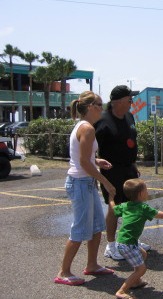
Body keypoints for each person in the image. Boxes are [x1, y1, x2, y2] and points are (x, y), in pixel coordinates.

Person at [55, 91, 116, 286]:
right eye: (99, 104)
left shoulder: (84, 126)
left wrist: (97, 160)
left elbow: (83, 157)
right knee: (80, 228)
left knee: (97, 226)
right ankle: (63, 272)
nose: (102, 107)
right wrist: (105, 181)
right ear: (90, 107)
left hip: (85, 182)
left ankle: (92, 264)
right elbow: (82, 162)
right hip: (80, 183)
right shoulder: (87, 128)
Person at [95, 85, 148, 261]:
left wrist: (133, 163)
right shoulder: (102, 120)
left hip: (129, 168)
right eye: (129, 99)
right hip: (112, 170)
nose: (131, 102)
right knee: (115, 207)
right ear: (117, 102)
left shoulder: (129, 116)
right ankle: (111, 246)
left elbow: (131, 141)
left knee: (133, 205)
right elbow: (86, 148)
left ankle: (130, 241)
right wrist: (95, 162)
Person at [111, 178, 163, 299]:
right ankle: (122, 290)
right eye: (146, 190)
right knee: (141, 269)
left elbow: (113, 208)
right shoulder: (143, 208)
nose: (148, 191)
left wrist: (110, 198)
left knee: (143, 254)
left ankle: (136, 281)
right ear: (140, 194)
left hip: (124, 241)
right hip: (127, 244)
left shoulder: (125, 205)